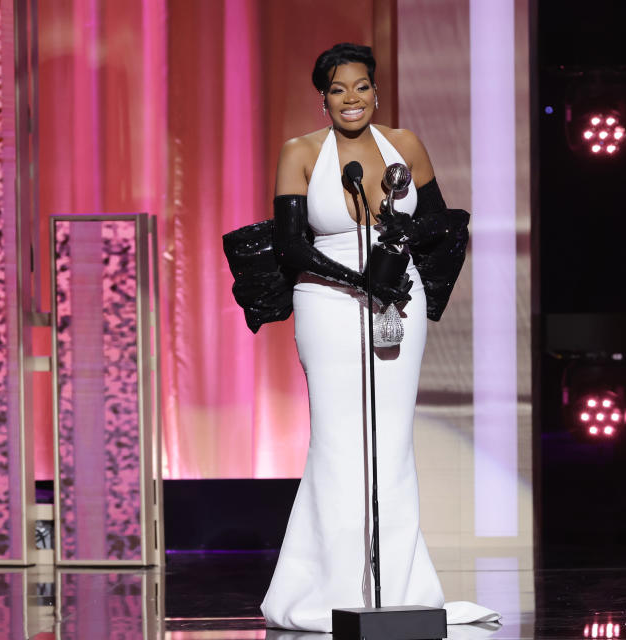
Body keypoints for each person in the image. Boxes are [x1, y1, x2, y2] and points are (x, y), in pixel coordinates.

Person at [257, 43, 499, 632]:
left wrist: (399, 258)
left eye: (361, 87)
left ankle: (399, 588)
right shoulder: (300, 154)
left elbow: (441, 225)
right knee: (339, 442)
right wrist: (356, 278)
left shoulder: (405, 147)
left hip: (397, 302)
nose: (351, 99)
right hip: (327, 301)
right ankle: (332, 589)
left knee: (390, 444)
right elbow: (291, 246)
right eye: (339, 90)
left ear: (376, 90)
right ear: (323, 96)